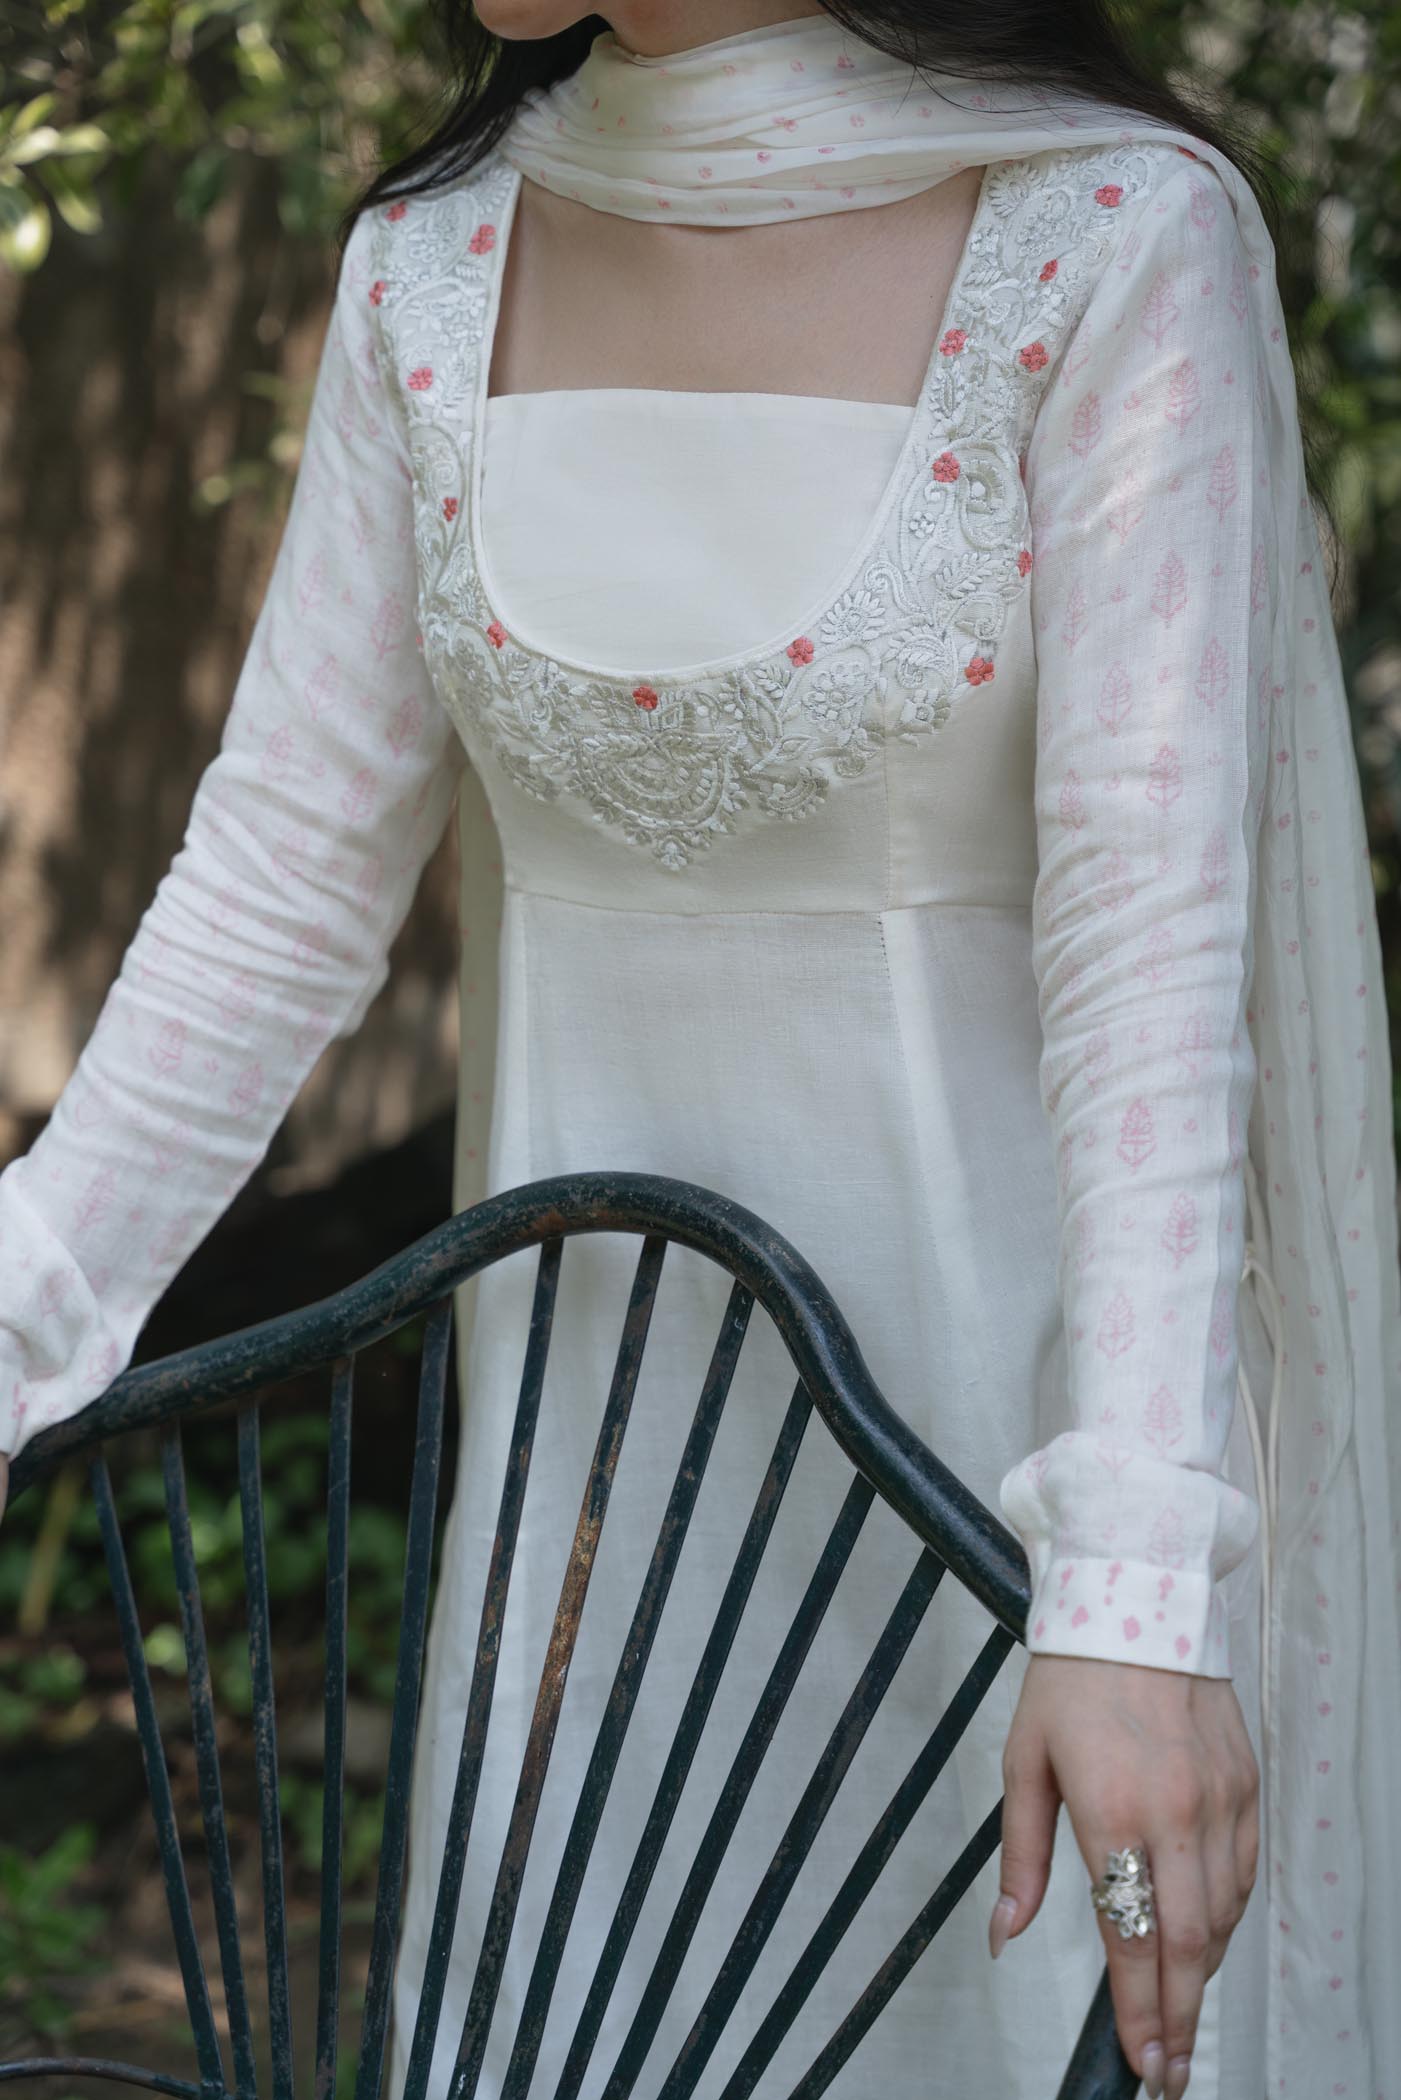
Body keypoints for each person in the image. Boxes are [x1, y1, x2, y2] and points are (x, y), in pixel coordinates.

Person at [2, 4, 1398, 2097]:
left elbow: (1151, 939)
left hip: (1012, 1503)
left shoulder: (1112, 231)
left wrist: (1130, 1594)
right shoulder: (436, 252)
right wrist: (16, 1324)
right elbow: (278, 883)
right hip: (591, 1526)